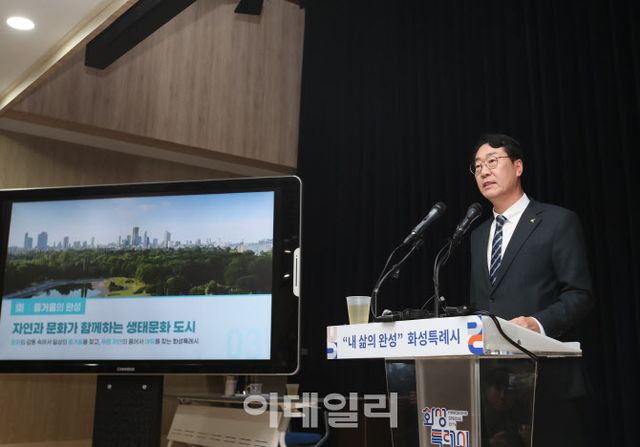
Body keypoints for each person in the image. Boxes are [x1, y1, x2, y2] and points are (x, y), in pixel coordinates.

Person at [468, 133, 594, 447]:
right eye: (478, 166)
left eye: (492, 162)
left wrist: (537, 324)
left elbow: (579, 295)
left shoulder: (557, 221)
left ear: (518, 167)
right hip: (494, 391)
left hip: (546, 382)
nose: (484, 171)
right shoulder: (478, 234)